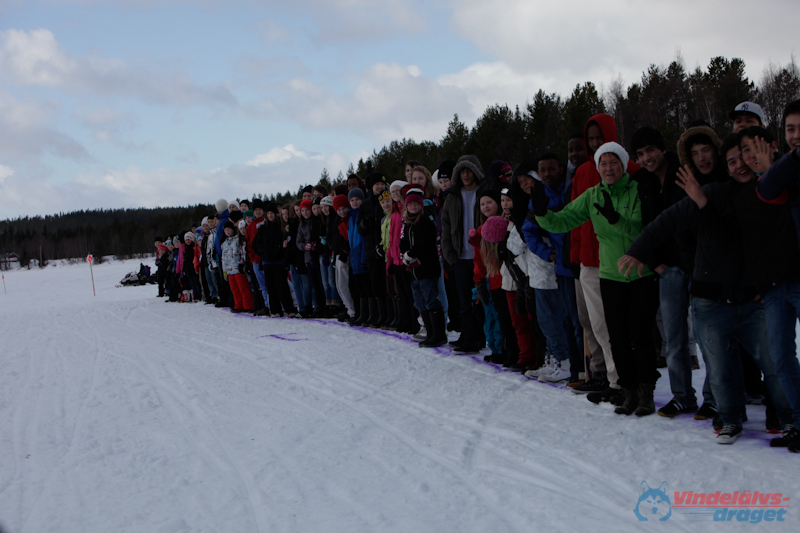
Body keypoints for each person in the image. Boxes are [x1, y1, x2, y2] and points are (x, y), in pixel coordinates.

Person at [619, 133, 794, 444]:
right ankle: (729, 419)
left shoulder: (769, 193)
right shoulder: (713, 193)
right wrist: (639, 249)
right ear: (725, 168)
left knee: (775, 364)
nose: (739, 165)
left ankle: (789, 418)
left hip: (752, 302)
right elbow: (667, 221)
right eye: (731, 162)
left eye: (743, 156)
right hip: (710, 302)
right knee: (720, 370)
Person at [534, 142, 659, 416]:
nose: (608, 168)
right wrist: (543, 214)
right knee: (618, 337)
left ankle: (646, 392)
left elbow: (642, 229)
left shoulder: (636, 189)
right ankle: (628, 391)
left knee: (640, 334)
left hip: (640, 275)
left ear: (623, 165)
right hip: (610, 275)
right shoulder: (593, 195)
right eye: (603, 163)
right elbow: (564, 220)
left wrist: (616, 220)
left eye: (614, 162)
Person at [570, 114, 640, 404]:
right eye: (592, 139)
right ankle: (606, 376)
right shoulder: (583, 172)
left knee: (615, 325)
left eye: (601, 137)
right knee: (593, 322)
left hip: (618, 260)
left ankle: (624, 380)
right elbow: (574, 218)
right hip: (588, 259)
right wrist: (574, 255)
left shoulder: (630, 170)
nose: (596, 143)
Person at [441, 155, 489, 353]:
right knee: (463, 301)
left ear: (476, 171)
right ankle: (468, 335)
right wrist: (449, 254)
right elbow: (445, 226)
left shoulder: (485, 192)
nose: (466, 175)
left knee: (482, 299)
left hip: (483, 256)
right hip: (460, 257)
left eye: (468, 170)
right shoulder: (452, 196)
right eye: (462, 171)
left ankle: (481, 337)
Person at [400, 189, 447, 347]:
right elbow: (403, 242)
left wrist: (411, 254)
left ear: (421, 205)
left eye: (416, 203)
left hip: (427, 269)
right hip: (414, 271)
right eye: (410, 204)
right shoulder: (408, 224)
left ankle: (439, 334)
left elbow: (424, 244)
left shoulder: (426, 222)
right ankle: (430, 331)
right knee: (420, 302)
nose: (413, 206)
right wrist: (405, 254)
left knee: (430, 299)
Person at [221, 221, 253, 313]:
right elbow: (224, 258)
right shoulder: (225, 243)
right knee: (234, 289)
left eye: (229, 230)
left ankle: (247, 305)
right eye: (225, 230)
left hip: (237, 268)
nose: (227, 232)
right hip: (229, 270)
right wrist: (225, 270)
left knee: (243, 288)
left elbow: (242, 252)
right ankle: (238, 305)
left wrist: (242, 264)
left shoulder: (238, 240)